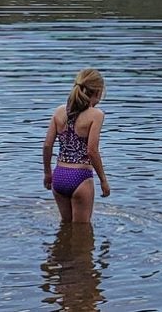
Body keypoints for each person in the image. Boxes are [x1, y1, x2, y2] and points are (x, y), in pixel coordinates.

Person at [43, 68, 111, 223]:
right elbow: (92, 151)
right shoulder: (96, 115)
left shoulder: (59, 111)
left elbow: (47, 145)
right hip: (80, 177)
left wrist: (47, 173)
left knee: (65, 226)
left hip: (59, 176)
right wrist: (103, 180)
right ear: (98, 92)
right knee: (83, 232)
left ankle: (62, 247)